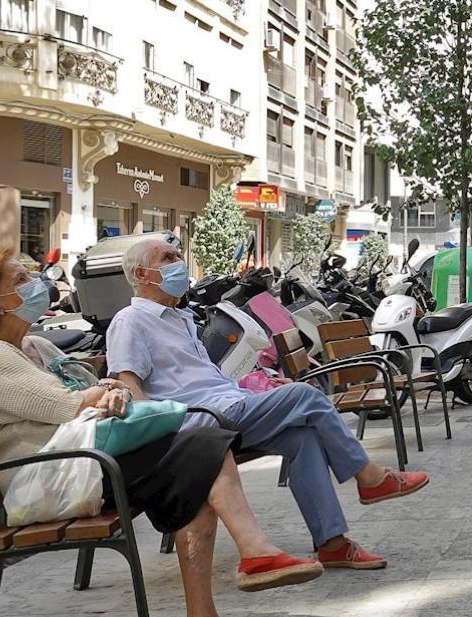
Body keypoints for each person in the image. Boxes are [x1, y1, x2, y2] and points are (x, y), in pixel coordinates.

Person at [0, 245, 315, 617]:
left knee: (201, 456)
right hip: (48, 479)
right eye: (20, 281)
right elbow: (65, 403)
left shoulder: (37, 347)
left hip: (81, 463)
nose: (36, 285)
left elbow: (100, 387)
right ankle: (250, 561)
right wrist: (101, 393)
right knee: (202, 446)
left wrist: (104, 392)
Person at [107, 239, 429, 571]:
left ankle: (332, 543)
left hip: (229, 407)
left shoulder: (180, 318)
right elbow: (129, 386)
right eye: (168, 258)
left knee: (302, 437)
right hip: (198, 424)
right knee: (306, 396)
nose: (179, 262)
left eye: (177, 255)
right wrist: (165, 437)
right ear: (143, 274)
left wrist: (253, 389)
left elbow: (205, 379)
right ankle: (369, 476)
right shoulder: (130, 321)